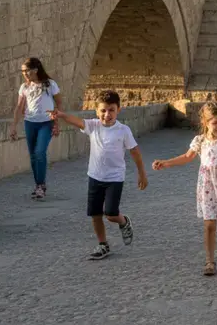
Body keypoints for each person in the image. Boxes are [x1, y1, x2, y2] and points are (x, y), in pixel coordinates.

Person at [51, 91, 147, 260]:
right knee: (95, 214)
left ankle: (123, 221)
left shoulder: (123, 130)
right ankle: (103, 244)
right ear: (97, 111)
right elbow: (77, 122)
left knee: (110, 214)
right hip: (95, 176)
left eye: (111, 110)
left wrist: (142, 173)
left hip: (115, 178)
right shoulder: (93, 126)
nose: (107, 114)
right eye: (103, 110)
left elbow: (135, 152)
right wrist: (61, 114)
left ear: (118, 110)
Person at [152, 100, 217, 276]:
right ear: (205, 123)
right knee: (209, 224)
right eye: (215, 122)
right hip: (207, 186)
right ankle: (210, 261)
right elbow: (187, 156)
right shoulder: (200, 141)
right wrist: (166, 163)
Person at [9, 58, 62, 200]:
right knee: (33, 155)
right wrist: (13, 126)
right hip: (30, 122)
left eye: (27, 70)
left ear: (36, 70)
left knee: (40, 152)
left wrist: (57, 124)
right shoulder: (24, 87)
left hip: (46, 122)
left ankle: (40, 185)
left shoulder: (50, 84)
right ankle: (39, 184)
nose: (24, 73)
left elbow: (59, 104)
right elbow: (19, 107)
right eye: (23, 71)